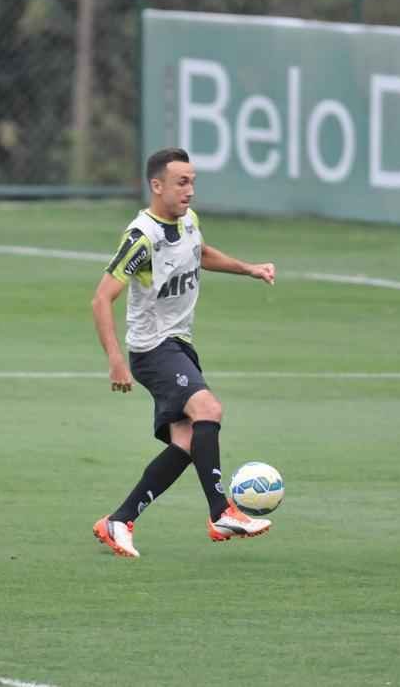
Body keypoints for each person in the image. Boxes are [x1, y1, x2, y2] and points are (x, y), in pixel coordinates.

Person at [90, 147, 277, 558]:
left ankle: (118, 521)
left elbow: (200, 253)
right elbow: (101, 299)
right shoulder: (142, 237)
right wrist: (115, 358)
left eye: (192, 181)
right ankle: (221, 511)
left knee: (187, 443)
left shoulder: (188, 221)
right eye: (181, 182)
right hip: (153, 349)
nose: (190, 190)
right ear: (157, 186)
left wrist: (248, 268)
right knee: (208, 409)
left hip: (179, 346)